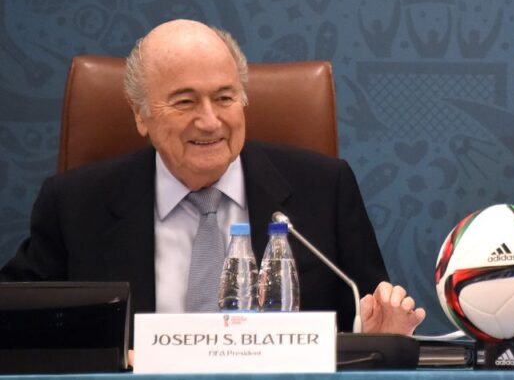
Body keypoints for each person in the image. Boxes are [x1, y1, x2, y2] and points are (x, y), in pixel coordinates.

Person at [1, 19, 425, 336]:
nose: (209, 121)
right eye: (184, 102)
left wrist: (381, 336)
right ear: (140, 115)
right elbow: (16, 322)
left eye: (224, 98)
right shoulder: (76, 204)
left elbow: (367, 322)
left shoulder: (324, 189)